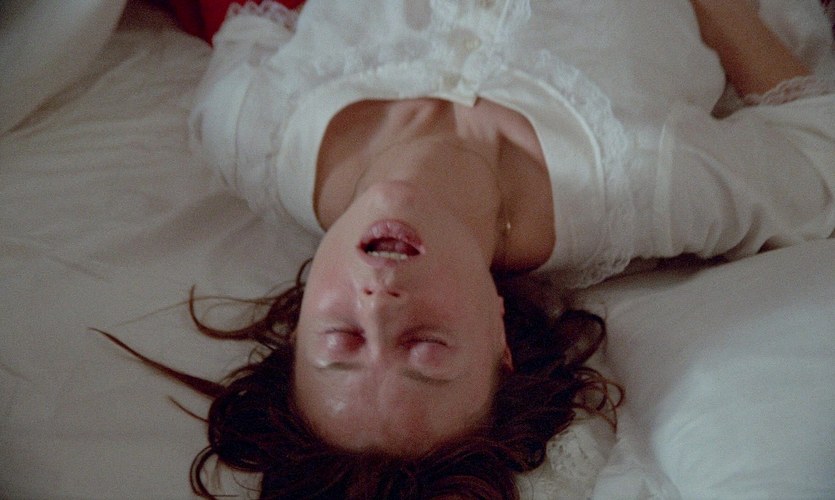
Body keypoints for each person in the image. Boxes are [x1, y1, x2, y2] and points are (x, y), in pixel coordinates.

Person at [109, 0, 835, 497]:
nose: (380, 303)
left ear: (297, 328)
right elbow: (817, 148)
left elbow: (255, 22)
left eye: (341, 340)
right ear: (498, 340)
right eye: (424, 346)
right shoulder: (641, 185)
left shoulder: (245, 127)